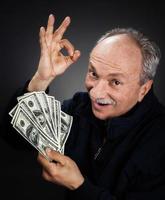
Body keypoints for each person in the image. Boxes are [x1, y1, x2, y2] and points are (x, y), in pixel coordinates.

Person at [8, 14, 165, 199]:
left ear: (144, 89)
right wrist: (41, 80)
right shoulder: (79, 108)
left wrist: (79, 186)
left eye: (115, 82)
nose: (95, 93)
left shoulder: (159, 142)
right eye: (93, 73)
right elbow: (14, 138)